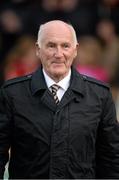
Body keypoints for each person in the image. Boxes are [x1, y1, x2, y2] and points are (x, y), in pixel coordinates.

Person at [0, 20, 119, 179]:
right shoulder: (13, 94)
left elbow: (111, 159)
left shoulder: (99, 95)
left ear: (75, 50)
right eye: (51, 45)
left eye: (65, 46)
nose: (58, 54)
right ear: (38, 49)